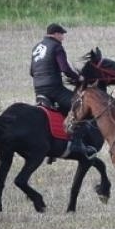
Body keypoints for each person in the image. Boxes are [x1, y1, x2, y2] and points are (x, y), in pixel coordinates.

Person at [30, 22, 92, 159]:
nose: (63, 37)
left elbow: (31, 71)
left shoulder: (36, 48)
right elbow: (64, 68)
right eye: (62, 34)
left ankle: (56, 143)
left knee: (60, 110)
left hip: (38, 89)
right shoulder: (56, 46)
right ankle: (76, 143)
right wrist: (79, 78)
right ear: (56, 34)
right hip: (53, 89)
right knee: (79, 107)